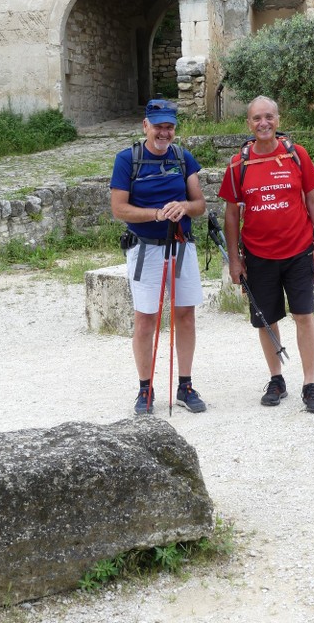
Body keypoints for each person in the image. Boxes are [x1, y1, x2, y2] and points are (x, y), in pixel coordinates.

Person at [218, 95, 314, 413]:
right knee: (266, 321)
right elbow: (231, 216)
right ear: (249, 124)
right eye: (257, 118)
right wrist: (234, 260)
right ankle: (277, 379)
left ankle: (310, 384)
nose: (263, 123)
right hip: (257, 255)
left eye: (268, 117)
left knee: (304, 316)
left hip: (297, 251)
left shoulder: (297, 156)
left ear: (278, 120)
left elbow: (313, 201)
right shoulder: (237, 164)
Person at [110, 99, 207, 415]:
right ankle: (145, 389)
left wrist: (183, 207)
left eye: (169, 126)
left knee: (186, 315)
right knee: (146, 318)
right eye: (159, 126)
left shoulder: (183, 158)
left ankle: (185, 385)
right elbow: (119, 208)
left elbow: (199, 204)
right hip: (145, 248)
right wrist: (156, 214)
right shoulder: (128, 160)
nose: (164, 132)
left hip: (182, 245)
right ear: (145, 126)